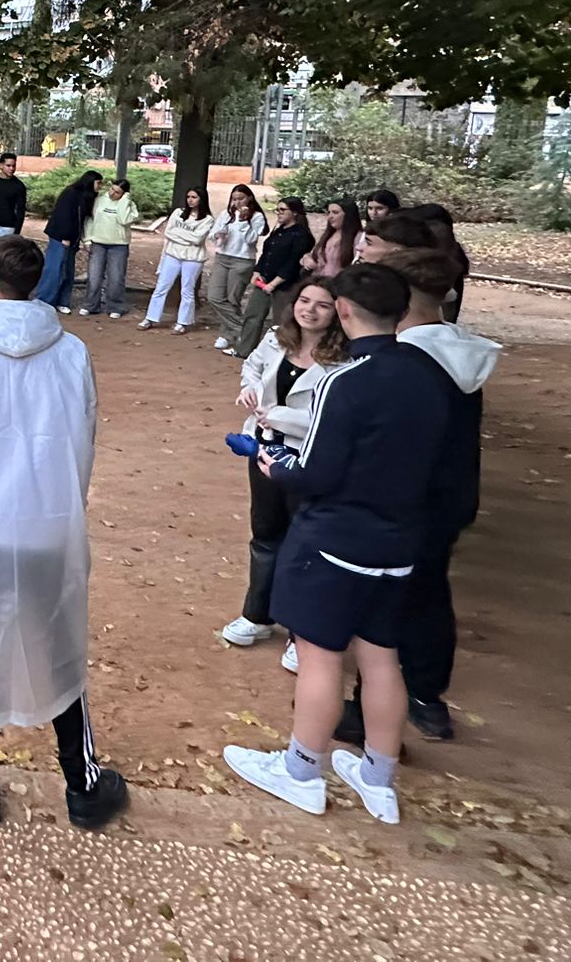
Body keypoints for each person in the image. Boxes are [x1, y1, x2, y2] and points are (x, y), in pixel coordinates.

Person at [223, 264, 450, 826]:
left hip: (335, 539)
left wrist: (275, 466)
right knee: (381, 659)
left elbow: (317, 470)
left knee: (321, 657)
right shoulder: (431, 372)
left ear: (345, 312)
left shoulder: (342, 380)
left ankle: (301, 771)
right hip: (399, 542)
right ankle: (377, 775)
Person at [0, 235, 129, 831]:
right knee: (55, 645)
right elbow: (82, 442)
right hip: (45, 522)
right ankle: (82, 783)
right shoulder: (71, 353)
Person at [334, 244, 501, 745]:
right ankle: (428, 697)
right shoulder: (461, 349)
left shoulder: (407, 360)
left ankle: (371, 714)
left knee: (384, 607)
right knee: (429, 593)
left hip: (404, 499)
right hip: (451, 495)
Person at [218, 276, 351, 665]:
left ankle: (300, 633)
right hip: (264, 448)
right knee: (265, 533)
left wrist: (275, 414)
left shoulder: (344, 357)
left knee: (303, 542)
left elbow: (327, 419)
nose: (309, 309)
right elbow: (254, 367)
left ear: (338, 312)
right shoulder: (278, 337)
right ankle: (257, 615)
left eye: (322, 305)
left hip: (306, 457)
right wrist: (250, 388)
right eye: (304, 300)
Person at [233, 196, 314, 358]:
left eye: (283, 210)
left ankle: (280, 355)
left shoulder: (301, 235)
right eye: (278, 209)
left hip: (285, 285)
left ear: (295, 213)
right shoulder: (278, 230)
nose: (279, 213)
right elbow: (266, 253)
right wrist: (257, 272)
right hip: (264, 280)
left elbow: (292, 263)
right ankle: (244, 350)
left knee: (281, 321)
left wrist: (275, 283)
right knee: (253, 315)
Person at [204, 183, 268, 349]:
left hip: (242, 260)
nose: (237, 202)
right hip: (222, 257)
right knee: (214, 296)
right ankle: (242, 328)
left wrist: (244, 221)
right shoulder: (226, 214)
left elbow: (251, 240)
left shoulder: (257, 217)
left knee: (233, 299)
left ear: (249, 198)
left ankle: (227, 335)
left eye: (241, 199)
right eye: (234, 199)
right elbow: (213, 234)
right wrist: (219, 235)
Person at [139, 187, 212, 333]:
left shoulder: (207, 220)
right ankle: (150, 318)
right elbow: (168, 233)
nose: (190, 200)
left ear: (201, 199)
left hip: (193, 258)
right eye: (189, 196)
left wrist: (179, 235)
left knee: (187, 290)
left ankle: (183, 322)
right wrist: (186, 238)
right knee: (161, 287)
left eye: (194, 197)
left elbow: (197, 239)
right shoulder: (178, 213)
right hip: (172, 255)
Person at [33, 170, 103, 310]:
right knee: (54, 269)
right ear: (90, 181)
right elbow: (62, 214)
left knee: (68, 271)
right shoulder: (71, 193)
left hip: (73, 239)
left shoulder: (87, 197)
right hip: (61, 237)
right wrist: (64, 236)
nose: (100, 186)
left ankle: (62, 301)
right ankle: (45, 300)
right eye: (98, 183)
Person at [80, 176, 140, 318]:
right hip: (98, 243)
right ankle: (91, 305)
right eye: (112, 189)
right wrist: (87, 240)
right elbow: (89, 220)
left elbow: (124, 219)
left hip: (119, 245)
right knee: (94, 276)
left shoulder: (129, 204)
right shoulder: (100, 200)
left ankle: (115, 306)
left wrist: (124, 201)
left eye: (118, 192)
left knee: (116, 277)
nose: (113, 194)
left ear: (124, 194)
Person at [302, 198, 361, 279]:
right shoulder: (328, 235)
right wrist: (307, 260)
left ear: (348, 215)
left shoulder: (358, 237)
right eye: (329, 213)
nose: (330, 217)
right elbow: (312, 255)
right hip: (317, 282)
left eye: (335, 213)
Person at [356, 188, 401, 259]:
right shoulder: (366, 231)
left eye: (379, 208)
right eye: (370, 208)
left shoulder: (397, 233)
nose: (373, 213)